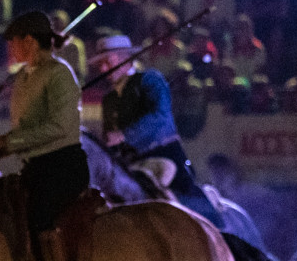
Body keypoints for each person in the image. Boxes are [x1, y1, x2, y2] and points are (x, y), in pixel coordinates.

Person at [0, 10, 90, 261]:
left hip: (62, 165)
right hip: (34, 165)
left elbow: (59, 126)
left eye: (13, 43)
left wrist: (10, 142)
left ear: (28, 41)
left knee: (40, 214)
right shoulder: (24, 76)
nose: (9, 50)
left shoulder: (59, 74)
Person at [89, 34, 227, 227]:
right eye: (100, 64)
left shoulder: (150, 80)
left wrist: (125, 135)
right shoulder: (109, 99)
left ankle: (217, 230)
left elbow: (159, 117)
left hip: (163, 153)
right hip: (129, 163)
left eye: (107, 62)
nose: (103, 69)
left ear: (124, 58)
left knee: (187, 196)